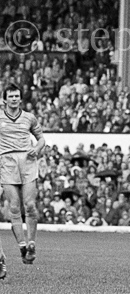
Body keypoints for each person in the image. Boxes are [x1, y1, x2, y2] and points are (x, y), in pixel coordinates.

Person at [0, 83, 45, 273]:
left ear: (20, 98)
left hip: (27, 161)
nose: (14, 99)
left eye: (17, 96)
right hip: (7, 161)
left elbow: (41, 138)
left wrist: (36, 148)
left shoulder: (29, 118)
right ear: (4, 99)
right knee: (14, 206)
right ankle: (22, 246)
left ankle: (32, 243)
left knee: (30, 205)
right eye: (11, 96)